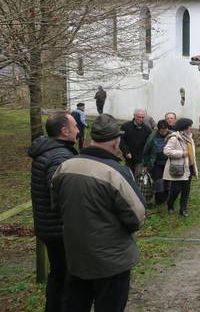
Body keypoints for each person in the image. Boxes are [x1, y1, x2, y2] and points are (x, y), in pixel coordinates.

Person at [52, 113, 145, 312]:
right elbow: (136, 217)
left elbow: (57, 206)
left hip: (76, 257)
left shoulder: (65, 167)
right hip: (111, 263)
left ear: (91, 138)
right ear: (115, 143)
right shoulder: (116, 172)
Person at [28, 111, 79, 312]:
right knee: (65, 278)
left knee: (58, 274)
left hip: (49, 226)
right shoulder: (59, 156)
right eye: (75, 126)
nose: (78, 129)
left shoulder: (50, 150)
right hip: (60, 229)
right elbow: (58, 189)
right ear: (64, 130)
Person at [163, 118, 198, 217]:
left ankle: (183, 209)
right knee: (176, 189)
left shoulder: (189, 137)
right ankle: (170, 205)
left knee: (186, 190)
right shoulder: (174, 138)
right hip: (178, 168)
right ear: (185, 127)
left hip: (188, 167)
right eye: (190, 126)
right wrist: (182, 153)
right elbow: (166, 151)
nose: (191, 128)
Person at [142, 120, 170, 205]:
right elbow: (146, 151)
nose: (163, 133)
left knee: (167, 181)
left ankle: (166, 198)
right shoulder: (152, 137)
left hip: (168, 163)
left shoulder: (172, 135)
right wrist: (146, 164)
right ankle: (159, 200)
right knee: (158, 182)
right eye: (162, 131)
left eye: (165, 131)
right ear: (158, 130)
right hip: (156, 163)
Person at [120, 109, 152, 176]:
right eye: (139, 117)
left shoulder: (147, 129)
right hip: (129, 156)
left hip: (140, 158)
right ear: (134, 116)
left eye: (142, 117)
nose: (140, 119)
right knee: (128, 175)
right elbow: (121, 140)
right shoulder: (125, 126)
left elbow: (149, 144)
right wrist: (126, 151)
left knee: (137, 176)